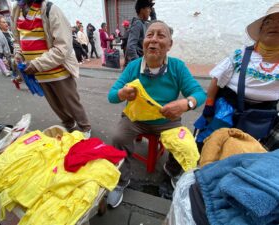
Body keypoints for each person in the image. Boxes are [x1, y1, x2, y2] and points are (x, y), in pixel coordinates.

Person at [106, 20, 206, 208]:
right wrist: (122, 94)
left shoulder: (177, 67)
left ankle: (172, 170)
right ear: (143, 42)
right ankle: (121, 180)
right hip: (136, 119)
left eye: (161, 36)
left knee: (185, 144)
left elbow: (199, 94)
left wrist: (186, 103)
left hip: (167, 120)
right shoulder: (133, 66)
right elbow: (112, 96)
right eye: (150, 35)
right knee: (118, 137)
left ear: (169, 44)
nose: (154, 40)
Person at [195, 2, 279, 150]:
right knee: (208, 144)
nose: (274, 25)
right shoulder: (240, 55)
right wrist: (209, 106)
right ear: (260, 31)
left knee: (256, 154)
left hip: (263, 118)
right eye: (268, 22)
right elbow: (217, 79)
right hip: (228, 110)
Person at [11, 0, 91, 137]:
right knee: (55, 105)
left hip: (58, 71)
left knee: (71, 103)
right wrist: (18, 53)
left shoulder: (50, 9)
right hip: (38, 73)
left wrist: (36, 64)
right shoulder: (17, 9)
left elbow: (63, 47)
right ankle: (69, 125)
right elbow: (17, 39)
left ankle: (84, 128)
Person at [124, 0, 154, 67]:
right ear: (142, 9)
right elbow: (131, 46)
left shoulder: (144, 23)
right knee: (136, 78)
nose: (150, 11)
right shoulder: (138, 24)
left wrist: (153, 14)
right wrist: (138, 64)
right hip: (135, 65)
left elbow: (154, 25)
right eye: (148, 8)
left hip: (140, 61)